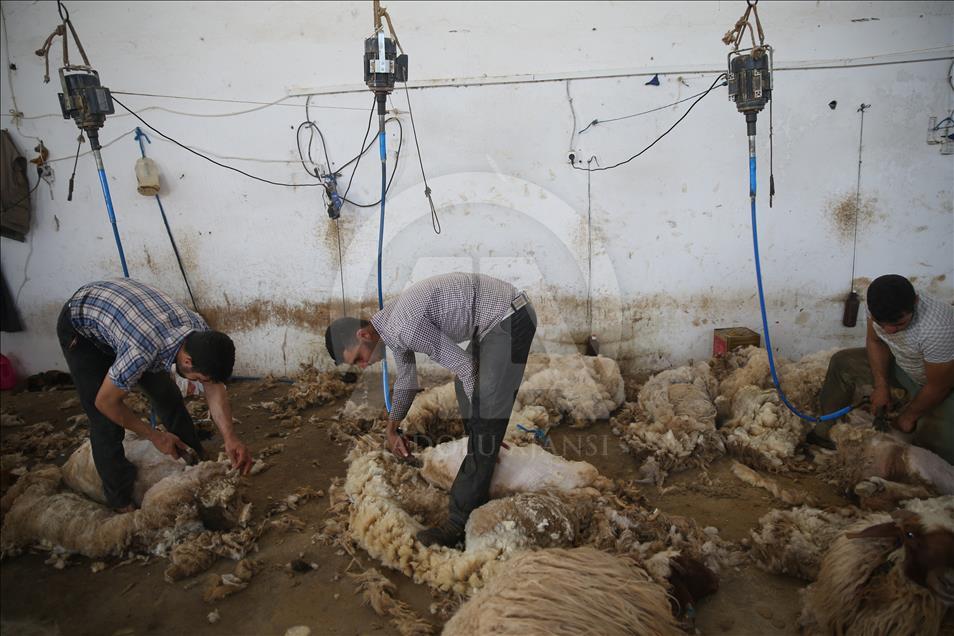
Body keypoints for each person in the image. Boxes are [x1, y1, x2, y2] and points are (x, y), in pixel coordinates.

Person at [325, 272, 537, 547]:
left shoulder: (402, 327)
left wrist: (484, 428)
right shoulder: (392, 326)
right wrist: (392, 430)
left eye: (359, 359)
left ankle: (458, 523)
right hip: (495, 321)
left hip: (509, 318)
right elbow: (407, 382)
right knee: (467, 390)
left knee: (484, 412)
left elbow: (464, 366)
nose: (364, 366)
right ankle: (483, 445)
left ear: (363, 335)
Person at [57, 279, 254, 512]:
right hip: (83, 330)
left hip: (128, 323)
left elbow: (213, 387)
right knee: (105, 422)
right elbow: (106, 402)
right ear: (187, 361)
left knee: (166, 394)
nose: (201, 384)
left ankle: (192, 458)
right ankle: (120, 499)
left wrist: (230, 438)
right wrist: (155, 436)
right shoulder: (142, 350)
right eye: (199, 378)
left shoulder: (199, 331)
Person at [811, 274, 954, 463]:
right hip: (905, 365)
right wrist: (881, 386)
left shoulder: (938, 327)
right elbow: (876, 341)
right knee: (843, 363)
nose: (889, 331)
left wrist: (908, 416)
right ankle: (823, 432)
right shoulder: (877, 307)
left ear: (916, 302)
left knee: (936, 450)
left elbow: (938, 386)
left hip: (942, 383)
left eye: (898, 324)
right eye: (881, 323)